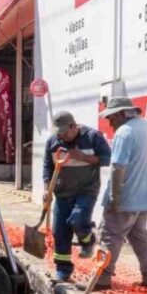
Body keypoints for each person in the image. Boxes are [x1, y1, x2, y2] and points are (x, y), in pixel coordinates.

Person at [96, 96, 147, 290]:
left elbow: (118, 167)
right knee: (139, 236)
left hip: (126, 197)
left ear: (120, 114)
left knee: (110, 235)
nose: (109, 123)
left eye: (110, 118)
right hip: (146, 197)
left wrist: (115, 197)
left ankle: (102, 278)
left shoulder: (125, 132)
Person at [43, 111, 111, 282]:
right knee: (60, 231)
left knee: (77, 220)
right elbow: (47, 168)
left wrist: (84, 157)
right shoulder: (53, 142)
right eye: (59, 133)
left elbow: (107, 158)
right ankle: (63, 270)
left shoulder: (93, 137)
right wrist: (47, 190)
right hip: (62, 193)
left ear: (74, 126)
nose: (62, 136)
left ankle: (88, 240)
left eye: (65, 132)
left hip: (86, 191)